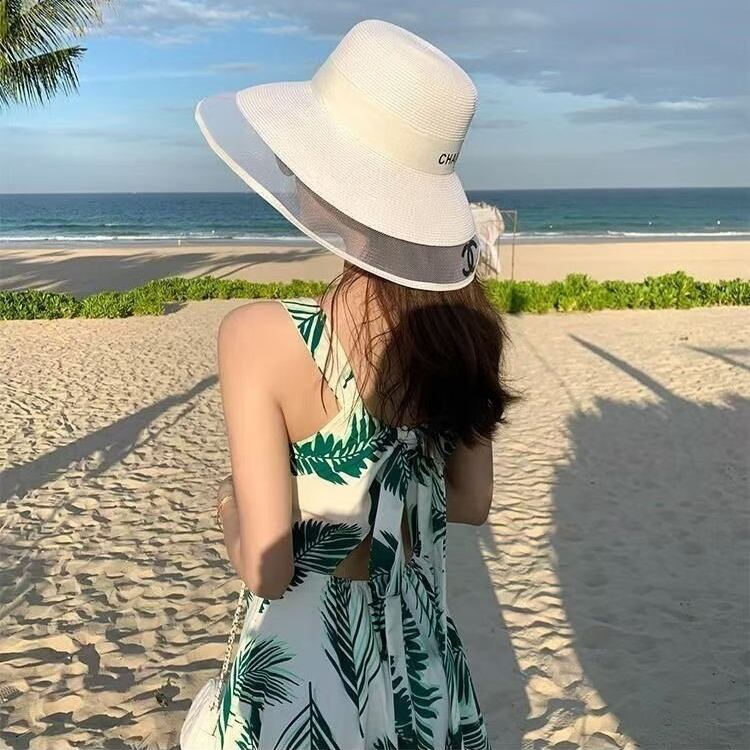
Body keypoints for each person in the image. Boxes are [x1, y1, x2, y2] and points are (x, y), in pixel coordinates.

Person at [194, 18, 517, 750]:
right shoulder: (466, 333)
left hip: (309, 688)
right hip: (423, 678)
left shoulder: (257, 336)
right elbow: (471, 502)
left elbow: (269, 570)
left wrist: (229, 509)